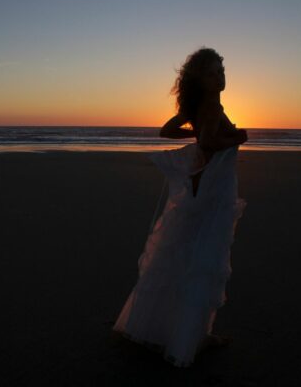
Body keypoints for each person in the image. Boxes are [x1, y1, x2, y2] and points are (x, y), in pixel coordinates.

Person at [112, 47, 247, 367]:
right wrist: (237, 137)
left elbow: (168, 130)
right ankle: (194, 337)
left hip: (204, 182)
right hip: (212, 186)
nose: (220, 77)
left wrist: (195, 130)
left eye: (221, 71)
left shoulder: (196, 106)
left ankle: (176, 330)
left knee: (187, 254)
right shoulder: (211, 105)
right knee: (204, 257)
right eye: (212, 73)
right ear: (200, 79)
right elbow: (208, 143)